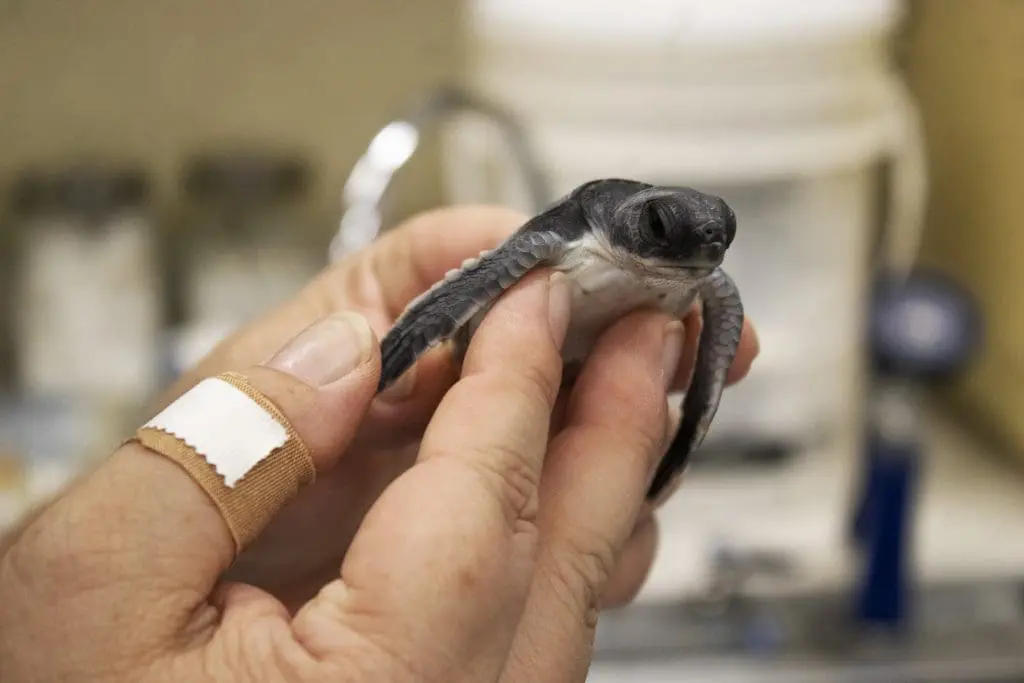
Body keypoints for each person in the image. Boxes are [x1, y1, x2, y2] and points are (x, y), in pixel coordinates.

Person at [0, 205, 758, 682]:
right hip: (477, 380)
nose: (696, 258)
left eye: (715, 246)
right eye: (666, 233)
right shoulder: (571, 238)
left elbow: (701, 379)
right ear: (630, 222)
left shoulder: (705, 283)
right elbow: (470, 286)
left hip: (531, 413)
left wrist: (668, 462)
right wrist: (374, 375)